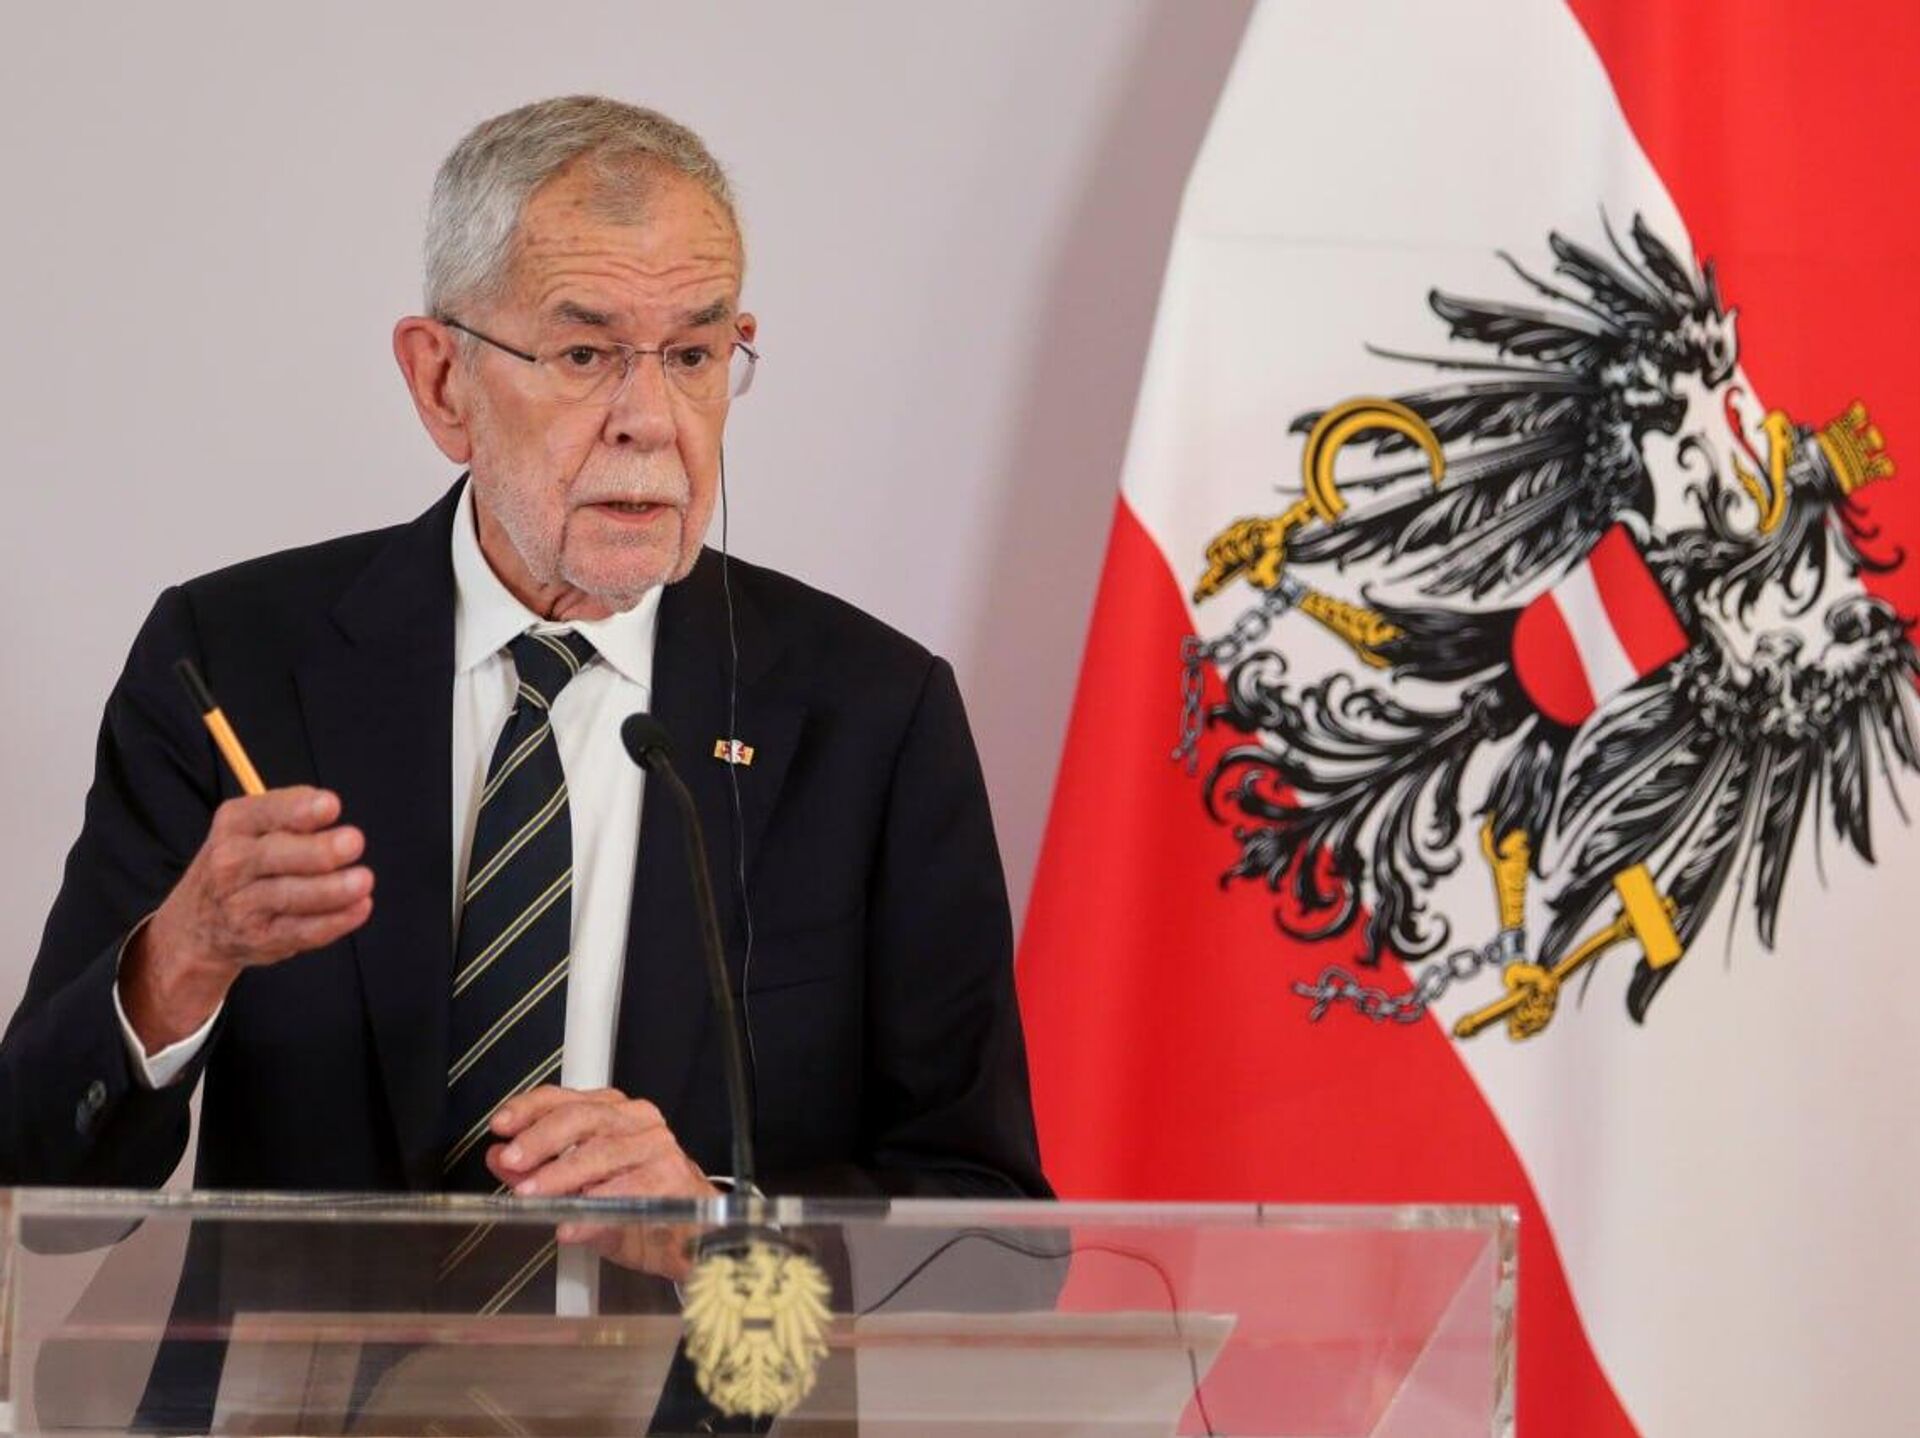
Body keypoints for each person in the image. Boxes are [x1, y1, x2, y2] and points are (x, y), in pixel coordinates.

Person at [0, 96, 1048, 1257]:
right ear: (442, 381)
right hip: (300, 1375)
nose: (650, 421)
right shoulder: (234, 662)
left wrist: (719, 1232)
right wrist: (180, 956)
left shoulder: (871, 716)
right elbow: (37, 1188)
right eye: (586, 354)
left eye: (693, 355)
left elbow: (993, 1239)